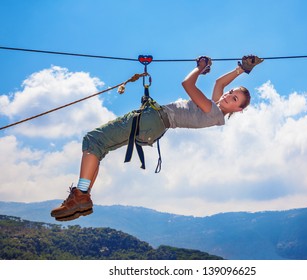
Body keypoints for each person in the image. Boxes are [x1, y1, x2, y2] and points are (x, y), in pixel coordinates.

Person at [50, 55, 263, 221]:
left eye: (233, 98)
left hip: (155, 120)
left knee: (94, 140)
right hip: (155, 125)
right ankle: (82, 197)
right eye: (230, 92)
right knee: (99, 146)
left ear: (238, 109)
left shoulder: (214, 112)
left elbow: (187, 84)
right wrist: (241, 70)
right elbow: (218, 83)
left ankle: (81, 196)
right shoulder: (217, 108)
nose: (227, 96)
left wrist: (199, 68)